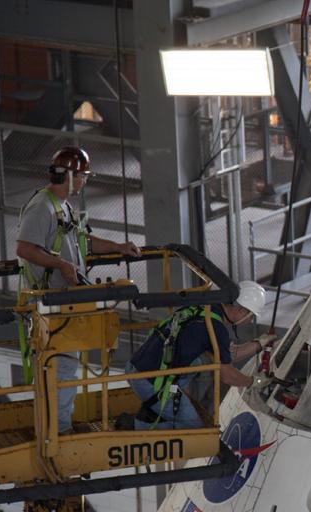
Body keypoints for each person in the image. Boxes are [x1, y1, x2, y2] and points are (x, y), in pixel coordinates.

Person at [15, 146, 141, 434]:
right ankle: (57, 431)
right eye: (82, 175)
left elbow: (82, 240)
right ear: (68, 176)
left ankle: (59, 425)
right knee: (60, 368)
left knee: (65, 367)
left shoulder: (62, 206)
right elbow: (24, 248)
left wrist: (118, 247)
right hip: (50, 304)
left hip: (64, 302)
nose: (84, 181)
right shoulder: (42, 207)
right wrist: (60, 265)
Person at [121, 281, 271, 430]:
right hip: (151, 382)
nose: (251, 321)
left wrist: (260, 343)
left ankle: (153, 410)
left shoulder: (203, 308)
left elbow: (226, 355)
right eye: (252, 316)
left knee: (202, 360)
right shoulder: (216, 328)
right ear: (242, 311)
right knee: (193, 427)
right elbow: (227, 376)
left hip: (137, 368)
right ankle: (133, 426)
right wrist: (253, 382)